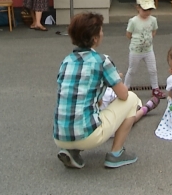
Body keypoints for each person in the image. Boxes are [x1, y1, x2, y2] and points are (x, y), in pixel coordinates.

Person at [53, 12, 140, 169]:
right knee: (132, 98)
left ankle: (71, 150)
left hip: (59, 135)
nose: (102, 33)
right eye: (100, 31)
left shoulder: (66, 61)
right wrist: (115, 79)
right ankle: (116, 153)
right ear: (94, 39)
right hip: (88, 135)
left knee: (81, 106)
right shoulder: (102, 61)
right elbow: (123, 94)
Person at [124, 0, 164, 99]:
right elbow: (128, 34)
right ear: (138, 8)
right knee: (132, 70)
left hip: (148, 50)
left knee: (153, 70)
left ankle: (155, 89)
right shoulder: (133, 21)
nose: (147, 12)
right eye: (145, 9)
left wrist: (148, 40)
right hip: (135, 51)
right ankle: (125, 88)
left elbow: (154, 31)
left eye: (150, 9)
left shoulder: (153, 20)